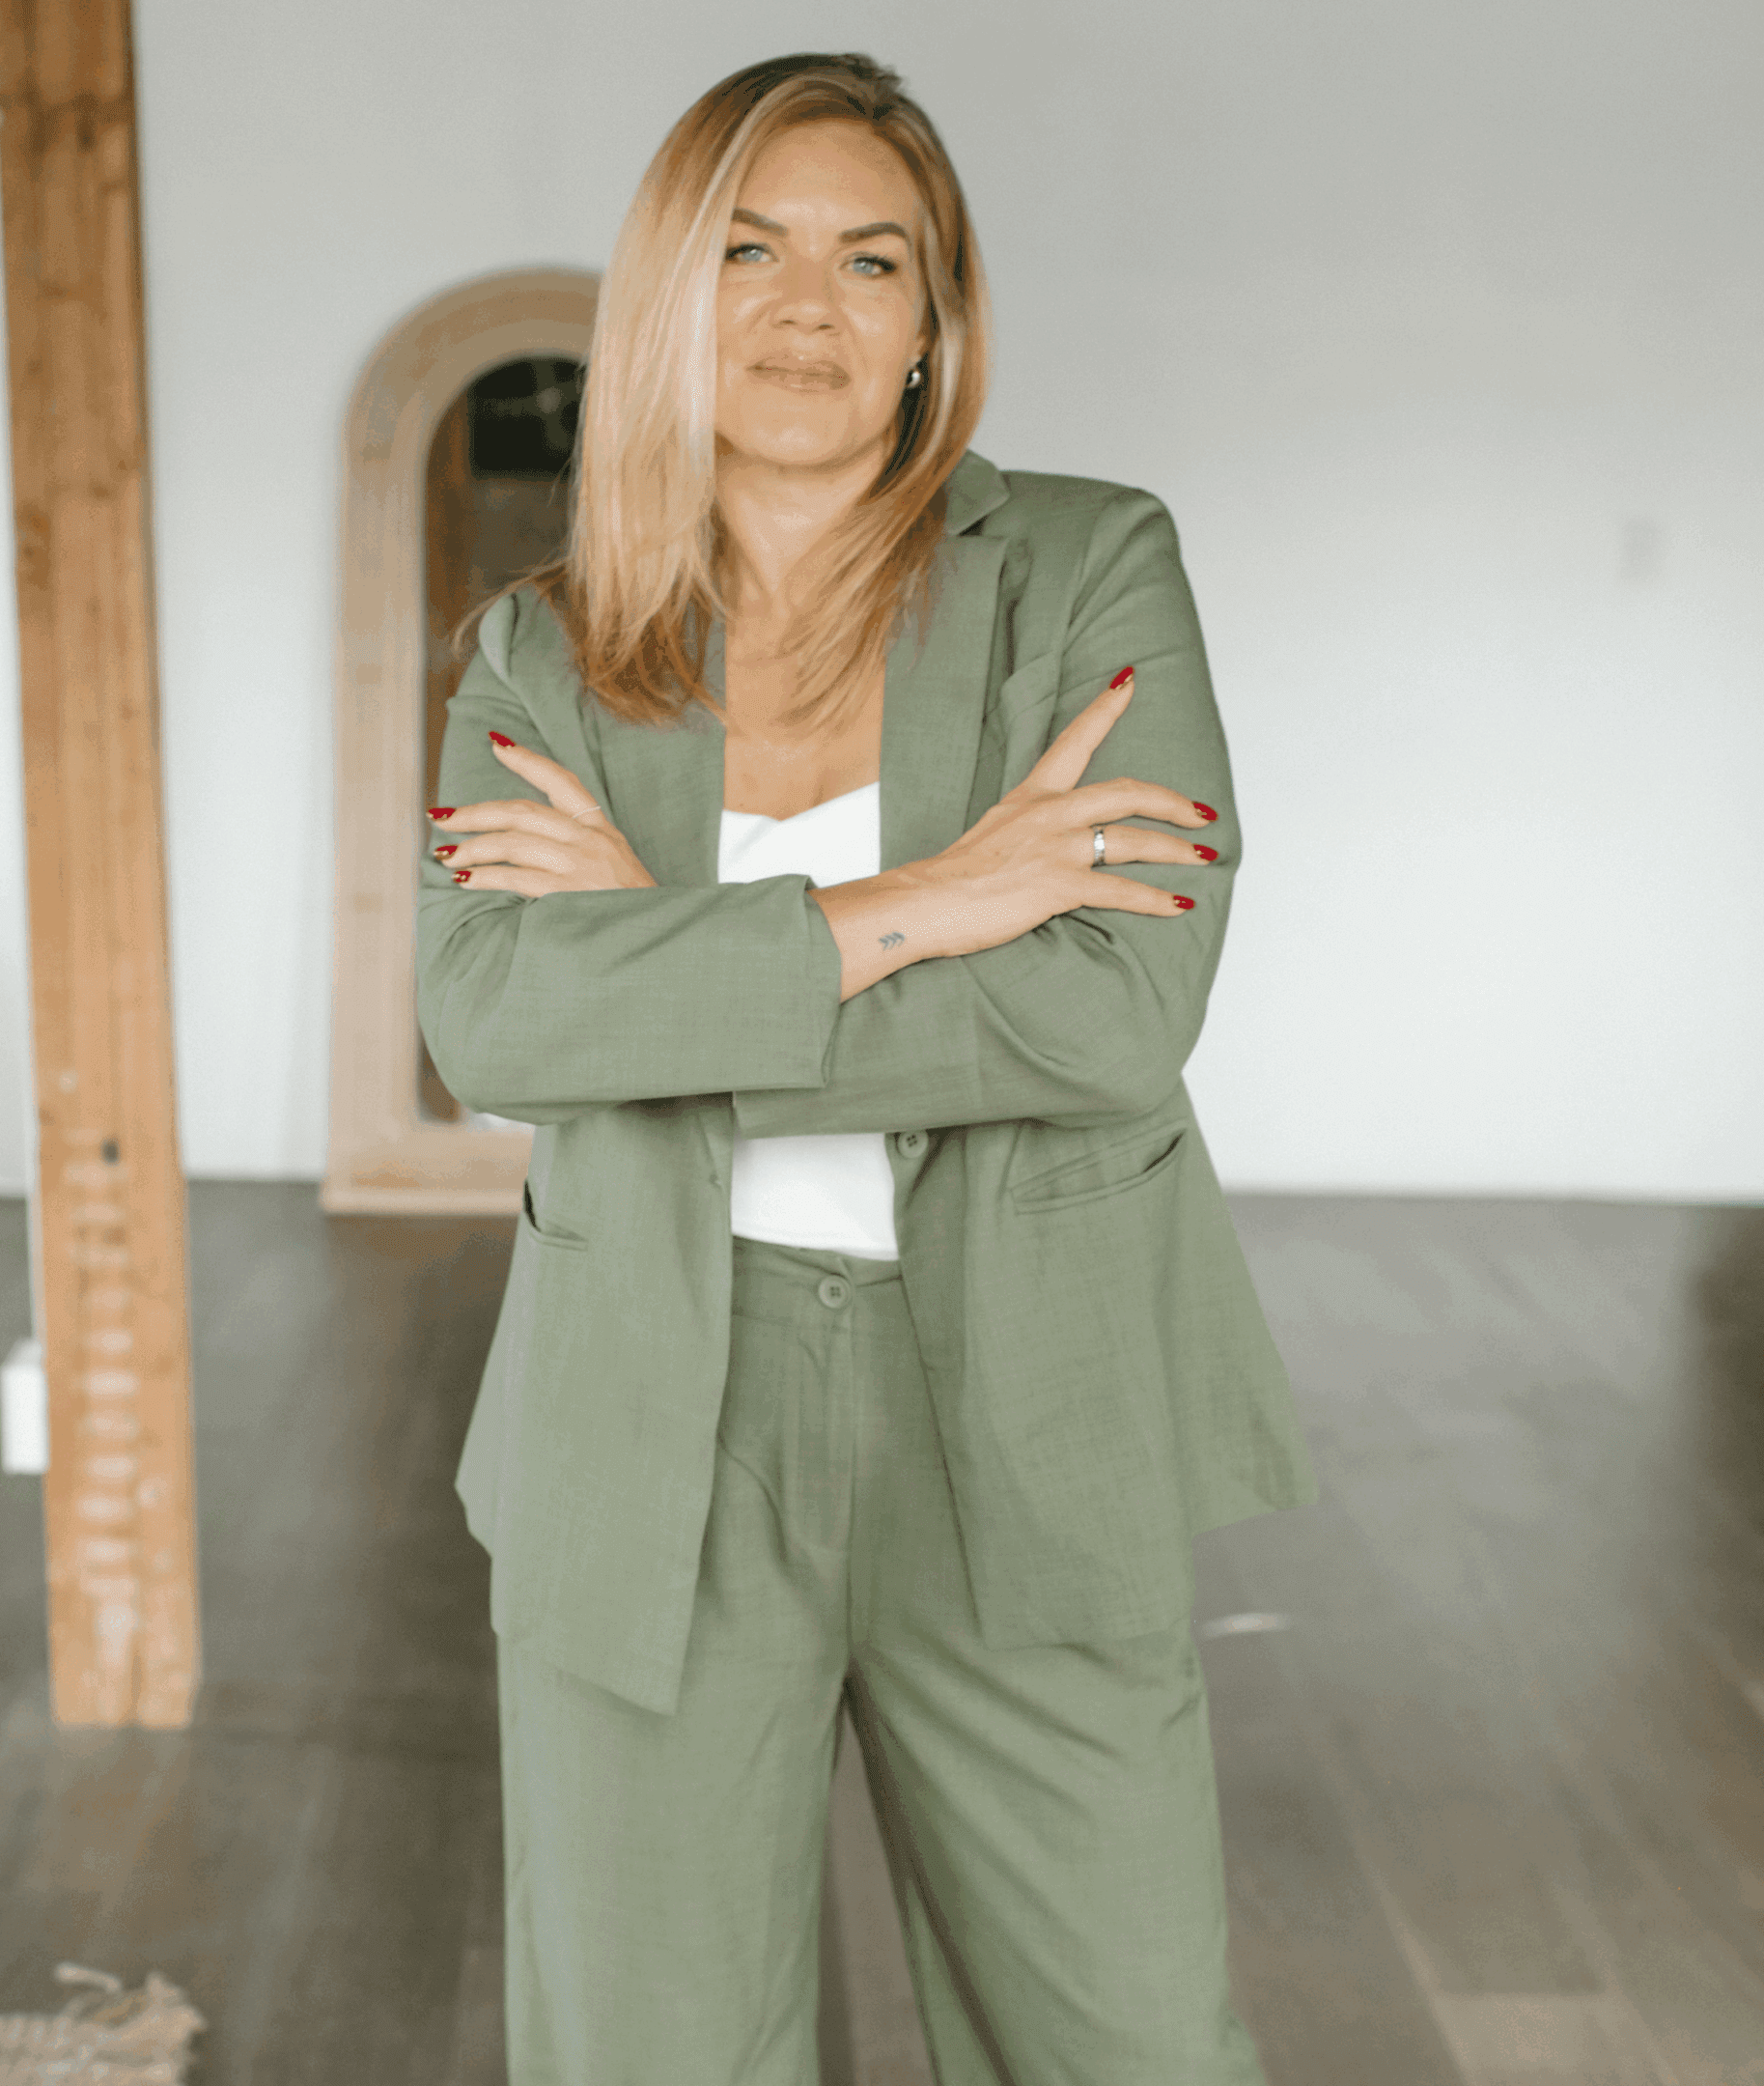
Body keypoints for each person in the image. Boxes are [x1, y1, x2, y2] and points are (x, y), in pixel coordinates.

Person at [415, 49, 1319, 2086]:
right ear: (669, 297)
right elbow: (490, 1023)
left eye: (869, 259)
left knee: (1128, 2041)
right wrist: (925, 902)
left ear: (935, 320)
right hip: (649, 1404)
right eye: (747, 251)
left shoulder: (1087, 567)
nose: (806, 308)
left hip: (1027, 1384)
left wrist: (657, 971)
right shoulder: (542, 650)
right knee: (646, 2050)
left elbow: (1111, 1012)